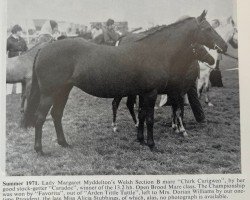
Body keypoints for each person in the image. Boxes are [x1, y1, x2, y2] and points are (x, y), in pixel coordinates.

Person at [7, 24, 28, 94]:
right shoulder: (9, 40)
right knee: (11, 75)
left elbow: (26, 49)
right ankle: (8, 92)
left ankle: (18, 91)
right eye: (20, 31)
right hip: (12, 60)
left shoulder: (22, 39)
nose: (21, 32)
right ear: (16, 31)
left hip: (21, 61)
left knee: (20, 74)